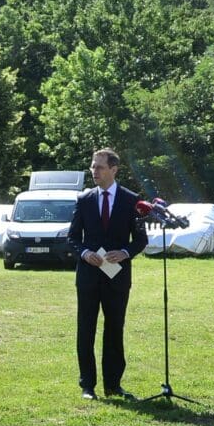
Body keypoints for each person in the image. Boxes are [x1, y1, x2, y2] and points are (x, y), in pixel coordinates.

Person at [69, 147, 147, 400]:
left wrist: (125, 252)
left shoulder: (131, 199)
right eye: (93, 166)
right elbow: (72, 238)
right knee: (86, 329)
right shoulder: (85, 199)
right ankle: (87, 385)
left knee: (114, 329)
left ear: (114, 169)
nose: (94, 171)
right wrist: (84, 254)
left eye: (100, 167)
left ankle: (113, 384)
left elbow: (141, 240)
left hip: (117, 277)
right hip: (88, 276)